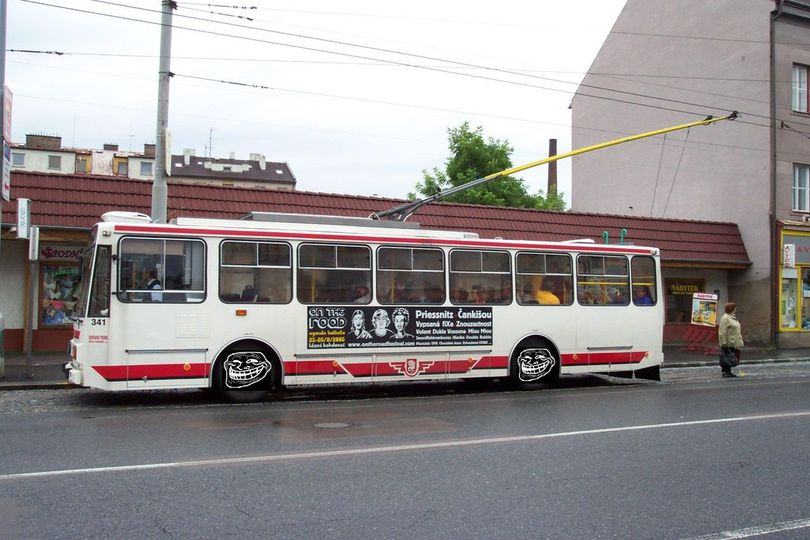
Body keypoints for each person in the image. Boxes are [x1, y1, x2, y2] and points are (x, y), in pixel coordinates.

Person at [718, 302, 743, 378]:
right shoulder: (725, 318)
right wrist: (724, 342)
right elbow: (722, 331)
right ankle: (725, 372)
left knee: (731, 357)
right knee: (727, 357)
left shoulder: (732, 317)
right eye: (734, 308)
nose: (736, 309)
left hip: (733, 342)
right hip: (728, 342)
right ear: (732, 309)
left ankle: (728, 372)